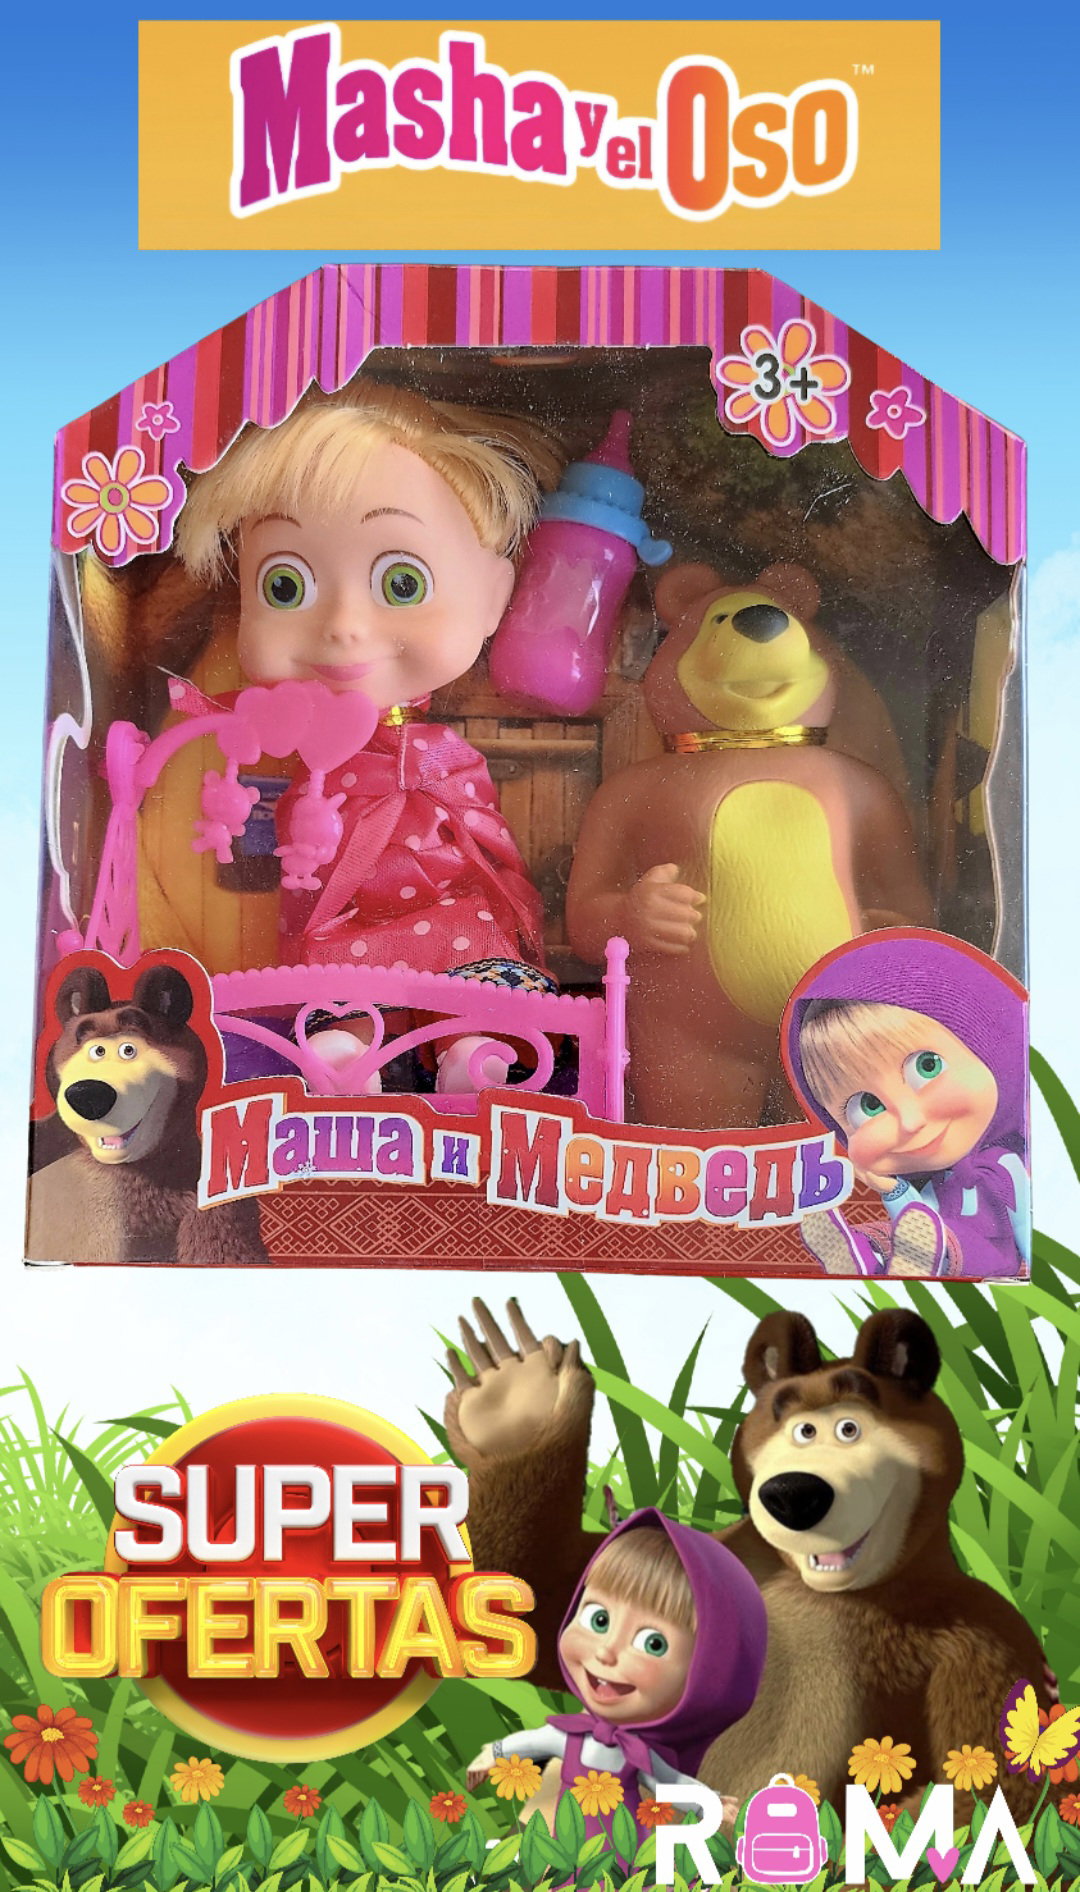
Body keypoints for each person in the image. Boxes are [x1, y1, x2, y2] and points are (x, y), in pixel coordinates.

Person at [175, 377, 561, 1091]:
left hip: (451, 903)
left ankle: (471, 1049)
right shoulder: (293, 754)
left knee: (477, 948)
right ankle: (346, 1052)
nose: (344, 625)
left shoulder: (441, 754)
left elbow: (480, 831)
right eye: (285, 586)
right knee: (335, 970)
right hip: (345, 919)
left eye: (401, 583)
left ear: (493, 597)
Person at [466, 1508, 766, 1840]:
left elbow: (668, 1784)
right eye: (598, 1620)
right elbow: (531, 1742)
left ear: (706, 1672)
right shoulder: (571, 1736)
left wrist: (709, 1801)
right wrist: (491, 1754)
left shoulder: (638, 1753)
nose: (606, 1652)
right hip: (565, 1838)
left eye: (653, 1643)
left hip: (619, 1844)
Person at [786, 931, 1029, 1278]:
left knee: (941, 1242)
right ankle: (860, 1254)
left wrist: (1045, 1274)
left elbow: (1027, 1227)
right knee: (894, 1235)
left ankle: (920, 1256)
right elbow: (917, 1219)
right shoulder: (933, 1184)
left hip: (991, 1257)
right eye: (868, 1106)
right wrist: (895, 1190)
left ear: (992, 1046)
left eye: (927, 1067)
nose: (910, 1121)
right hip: (932, 1253)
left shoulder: (1006, 1167)